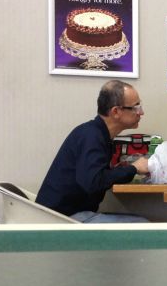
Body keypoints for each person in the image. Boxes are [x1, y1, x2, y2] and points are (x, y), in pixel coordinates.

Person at [36, 80, 150, 223]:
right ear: (116, 112)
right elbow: (93, 182)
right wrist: (134, 168)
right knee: (142, 224)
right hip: (62, 219)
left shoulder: (95, 133)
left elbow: (93, 176)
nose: (141, 112)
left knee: (141, 222)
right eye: (136, 107)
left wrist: (121, 170)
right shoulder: (92, 136)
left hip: (68, 214)